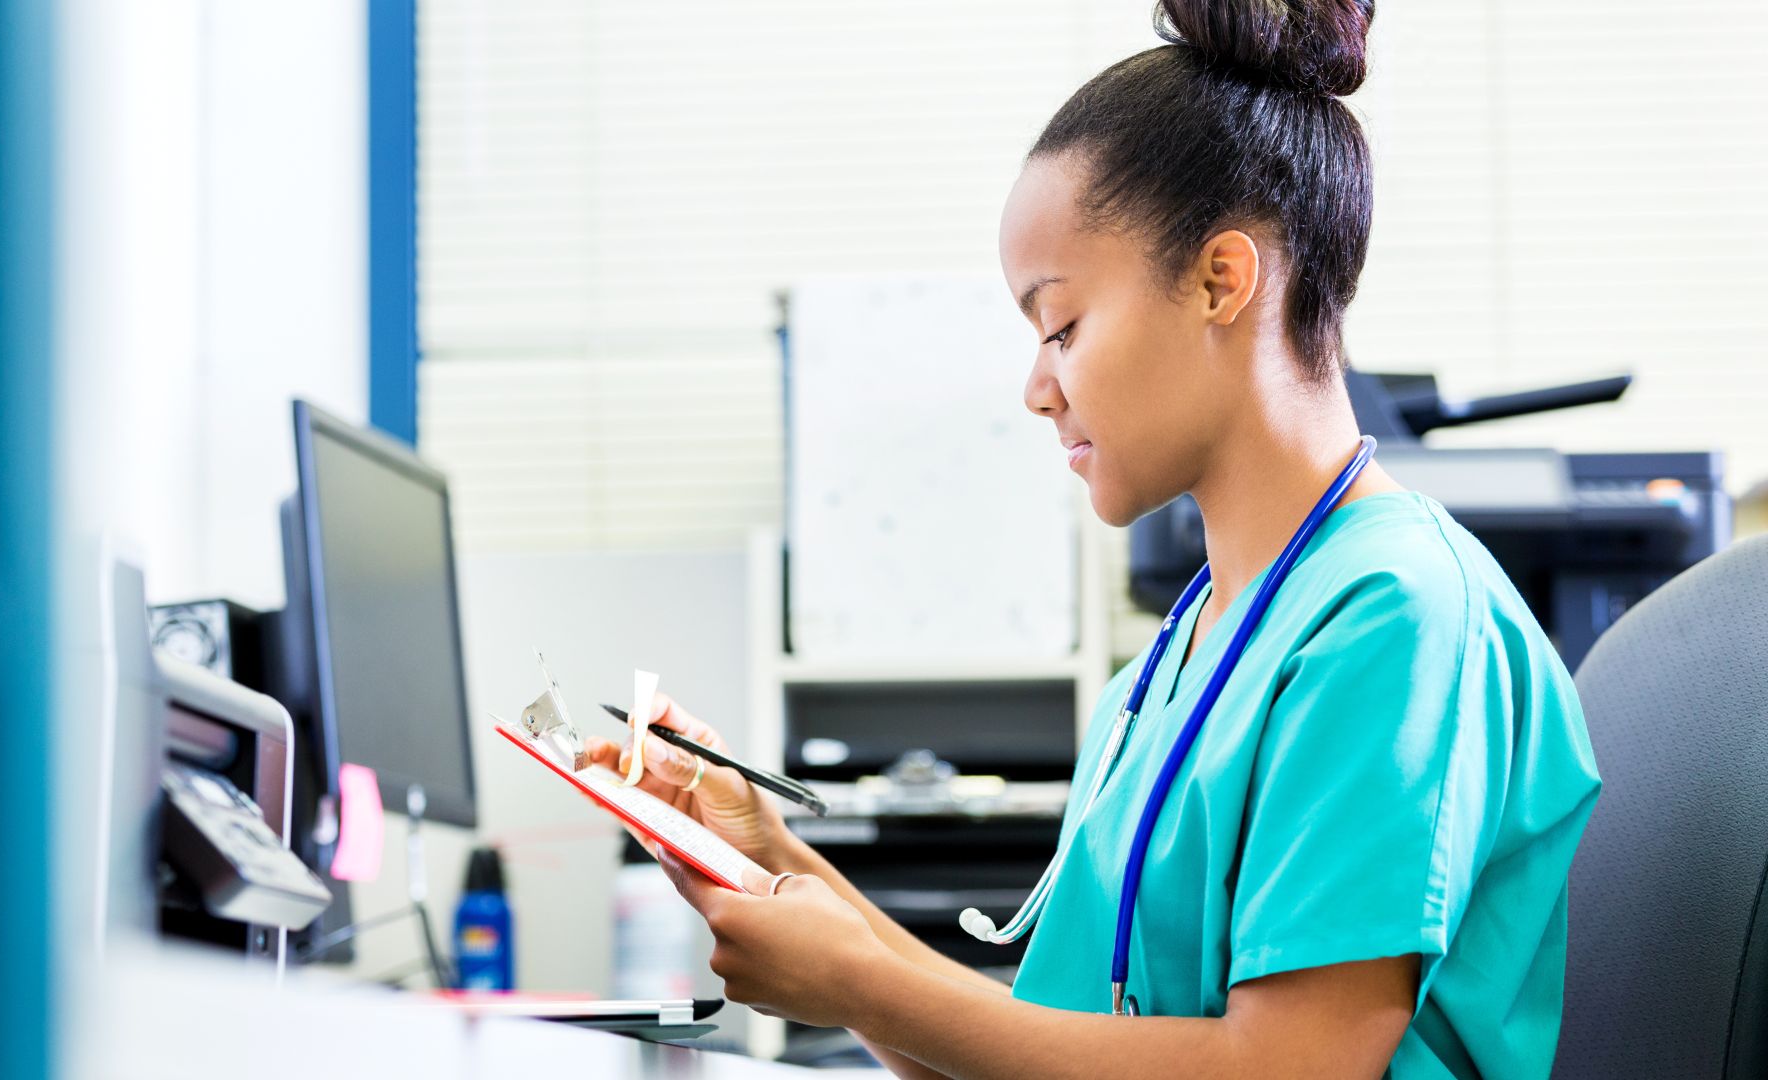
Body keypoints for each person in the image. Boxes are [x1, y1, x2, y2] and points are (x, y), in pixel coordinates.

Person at [586, 2, 1600, 1076]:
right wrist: (768, 858)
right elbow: (1035, 1051)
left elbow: (1293, 1066)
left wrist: (853, 980)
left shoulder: (1397, 618)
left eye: (1061, 326)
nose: (1037, 389)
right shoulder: (1165, 665)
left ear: (1223, 279)